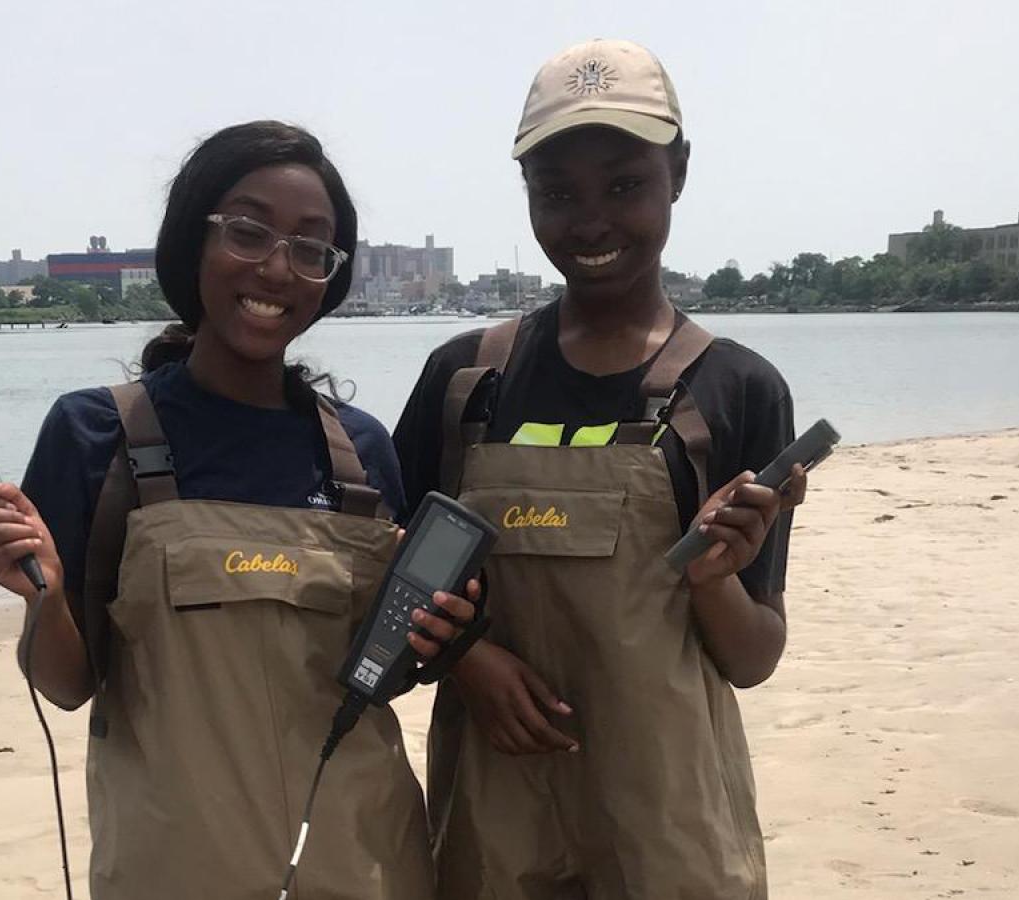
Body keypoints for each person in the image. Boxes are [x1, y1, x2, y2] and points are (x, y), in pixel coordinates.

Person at [0, 121, 478, 900]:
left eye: (312, 247)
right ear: (192, 242)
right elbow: (68, 685)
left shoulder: (362, 453)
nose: (277, 268)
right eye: (247, 232)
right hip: (170, 868)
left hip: (367, 863)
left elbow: (383, 681)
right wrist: (42, 595)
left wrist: (436, 639)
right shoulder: (96, 434)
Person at [392, 41, 808, 900]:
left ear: (678, 174)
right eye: (557, 193)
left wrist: (709, 576)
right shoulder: (463, 380)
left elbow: (755, 655)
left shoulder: (738, 389)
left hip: (669, 820)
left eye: (624, 184)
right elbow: (390, 588)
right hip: (492, 818)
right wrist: (468, 658)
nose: (590, 221)